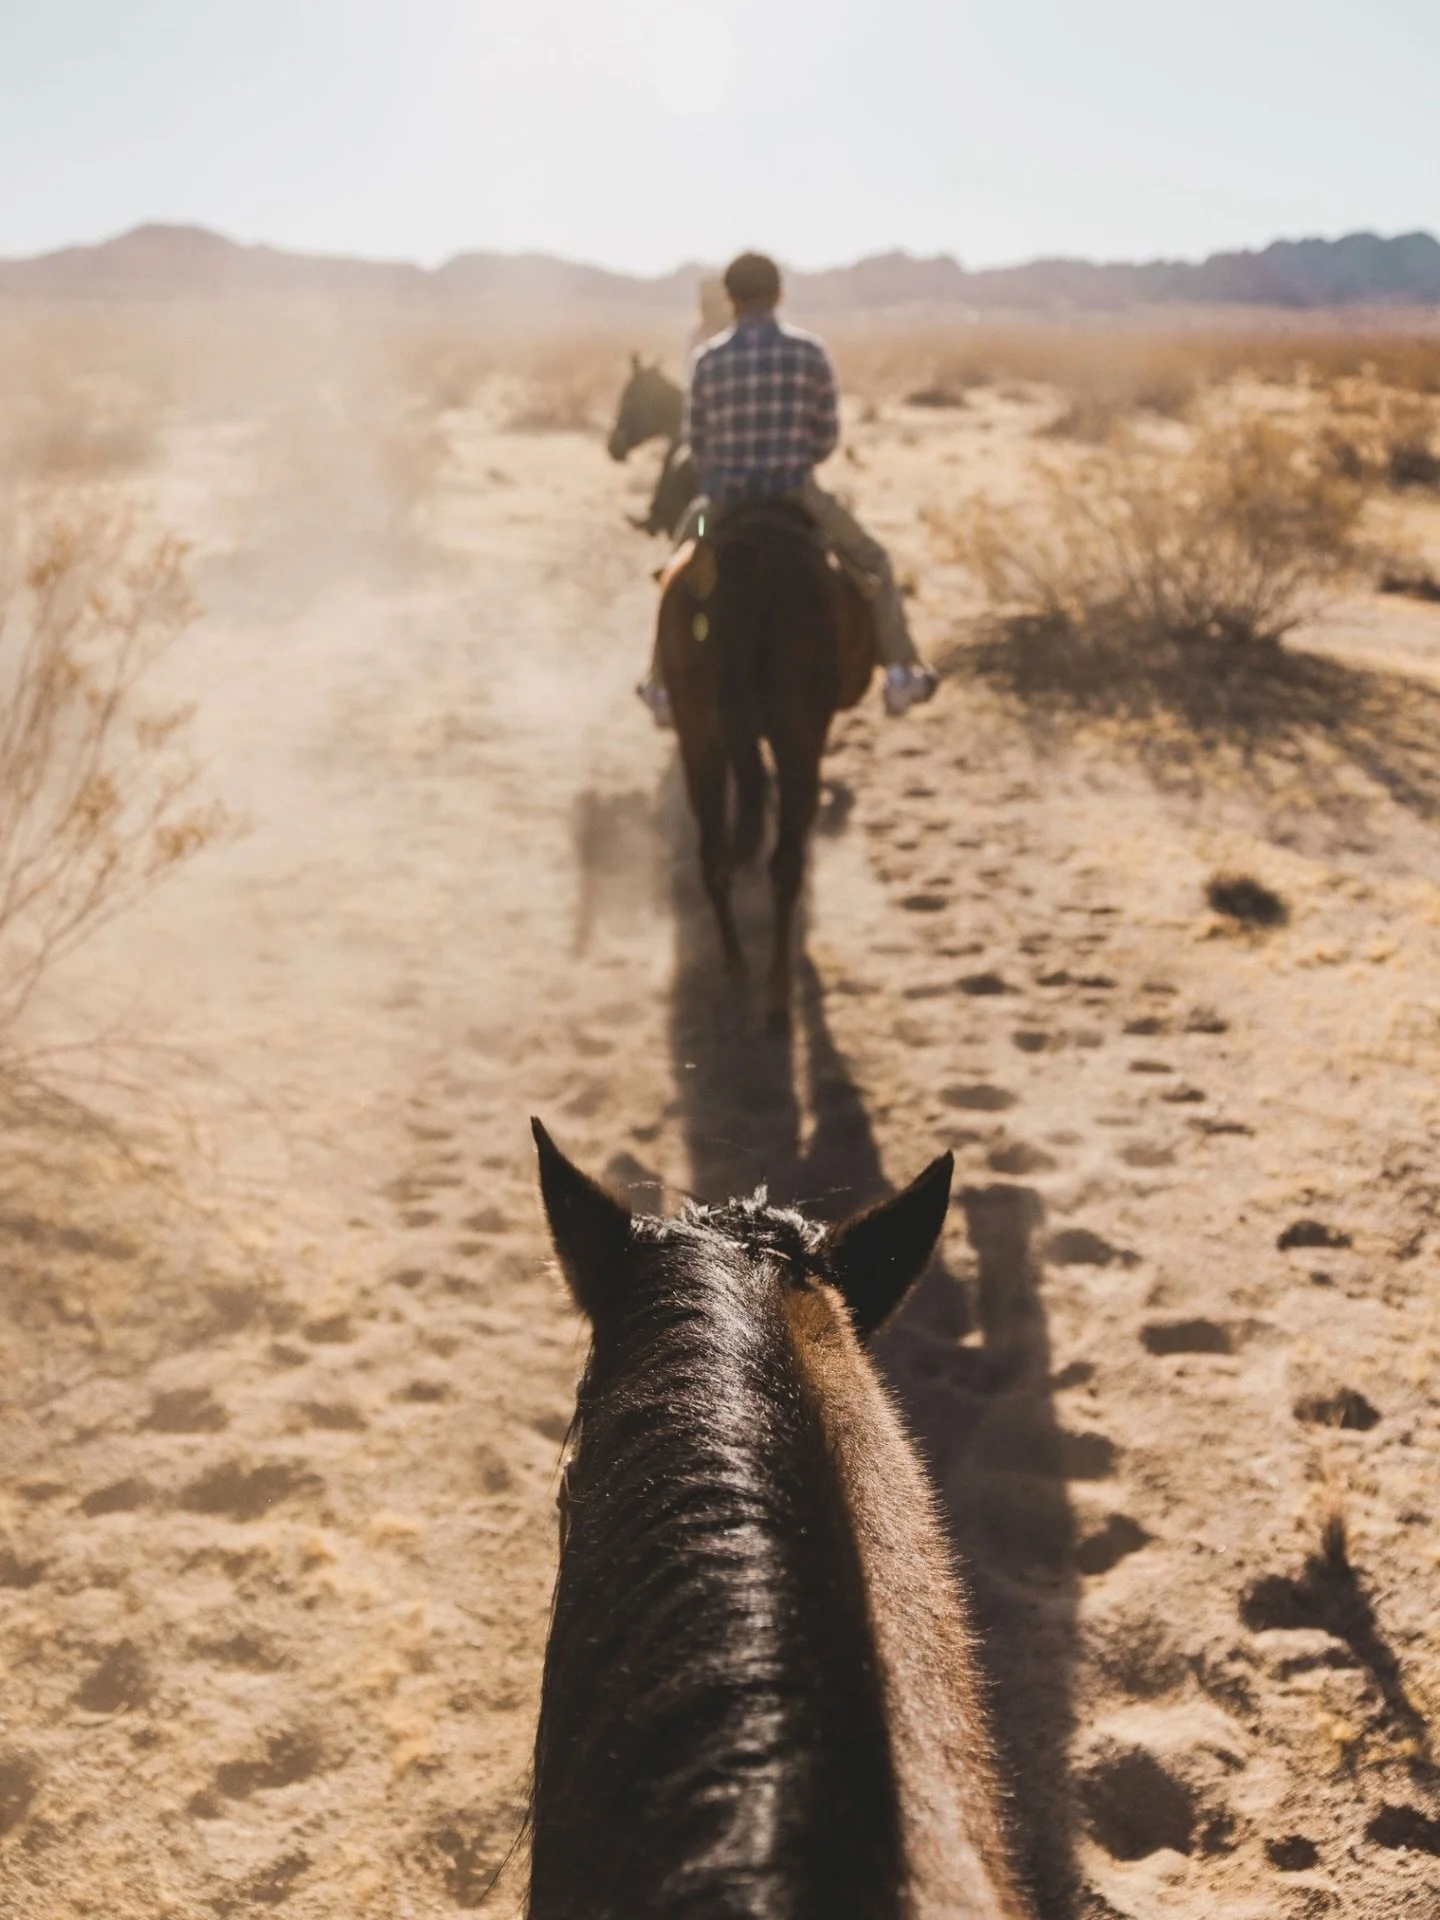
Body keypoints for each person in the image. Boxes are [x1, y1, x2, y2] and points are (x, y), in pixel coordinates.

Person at [638, 251, 939, 725]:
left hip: (719, 502)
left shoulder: (707, 359)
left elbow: (697, 444)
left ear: (730, 300)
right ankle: (901, 671)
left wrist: (730, 470)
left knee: (676, 569)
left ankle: (660, 684)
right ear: (779, 295)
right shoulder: (809, 351)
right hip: (798, 495)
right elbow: (826, 438)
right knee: (873, 560)